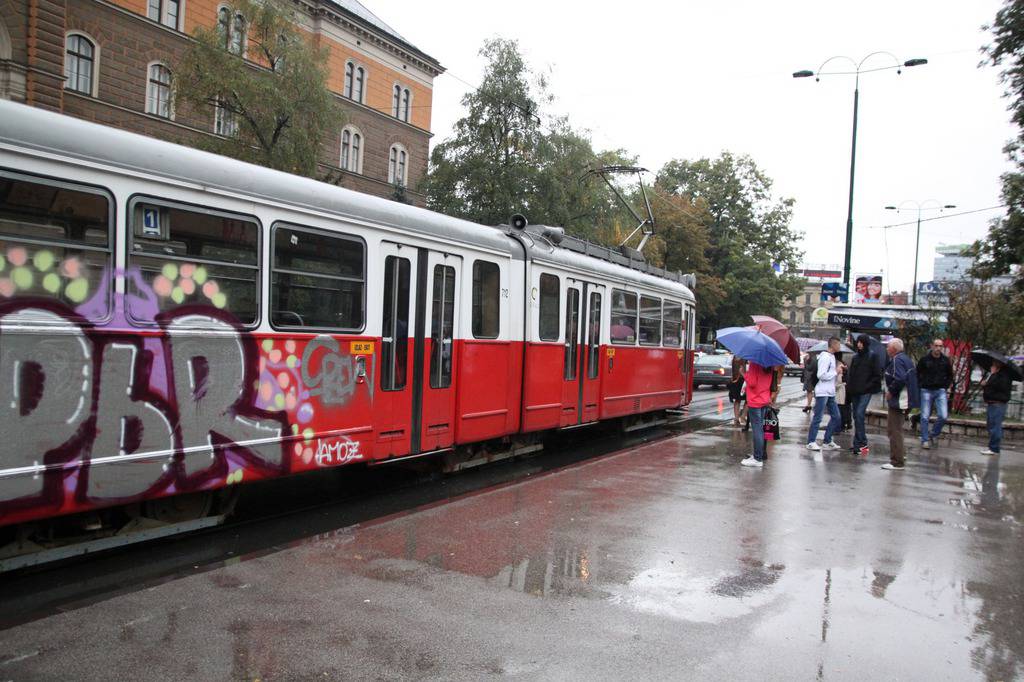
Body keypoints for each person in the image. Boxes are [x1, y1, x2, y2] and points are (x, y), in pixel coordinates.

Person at [883, 338, 919, 471]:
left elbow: (900, 378)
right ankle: (901, 456)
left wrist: (891, 391)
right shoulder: (906, 359)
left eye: (888, 347)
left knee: (894, 430)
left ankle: (897, 461)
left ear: (894, 349)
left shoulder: (897, 360)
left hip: (900, 400)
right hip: (907, 399)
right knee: (897, 429)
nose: (887, 349)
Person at [846, 334, 883, 455]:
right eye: (858, 342)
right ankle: (858, 443)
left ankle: (863, 443)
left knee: (859, 414)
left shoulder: (873, 356)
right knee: (856, 416)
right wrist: (850, 387)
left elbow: (877, 374)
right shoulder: (856, 357)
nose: (859, 344)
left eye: (861, 342)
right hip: (855, 390)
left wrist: (868, 386)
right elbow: (852, 374)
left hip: (865, 391)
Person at [916, 339, 954, 450]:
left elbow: (950, 375)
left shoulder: (945, 360)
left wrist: (945, 386)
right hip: (926, 389)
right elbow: (918, 373)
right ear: (932, 346)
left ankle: (933, 434)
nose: (938, 348)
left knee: (943, 415)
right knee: (924, 416)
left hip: (940, 390)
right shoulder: (925, 360)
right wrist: (921, 384)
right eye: (936, 346)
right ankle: (925, 439)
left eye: (940, 346)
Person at [806, 337, 843, 451]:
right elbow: (821, 375)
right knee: (818, 417)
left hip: (830, 392)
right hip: (822, 392)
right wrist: (835, 372)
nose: (840, 347)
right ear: (833, 345)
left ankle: (827, 440)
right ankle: (811, 441)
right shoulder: (825, 357)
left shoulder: (832, 357)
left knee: (836, 416)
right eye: (838, 344)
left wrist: (837, 371)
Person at [741, 361, 774, 468]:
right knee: (760, 429)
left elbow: (752, 383)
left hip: (755, 400)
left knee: (757, 430)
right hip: (764, 399)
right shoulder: (770, 364)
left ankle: (757, 459)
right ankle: (757, 455)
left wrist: (743, 373)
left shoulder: (755, 363)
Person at [980, 359, 1016, 456]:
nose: (993, 364)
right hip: (991, 402)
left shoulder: (1004, 375)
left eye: (995, 362)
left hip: (998, 403)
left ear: (1000, 363)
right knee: (990, 426)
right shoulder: (996, 373)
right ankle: (992, 446)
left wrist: (993, 374)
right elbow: (990, 387)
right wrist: (985, 383)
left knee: (995, 427)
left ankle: (994, 449)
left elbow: (1000, 387)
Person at [729, 356, 747, 426]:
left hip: (735, 380)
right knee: (748, 400)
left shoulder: (734, 358)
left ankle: (737, 418)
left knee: (737, 400)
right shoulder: (744, 358)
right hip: (742, 380)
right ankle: (742, 417)